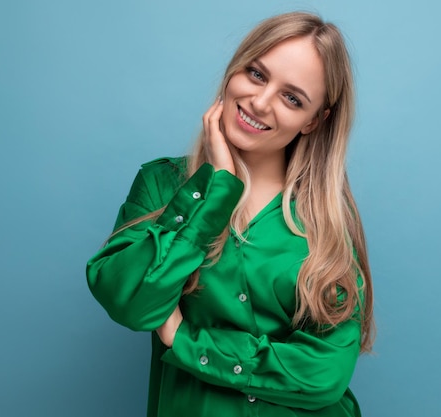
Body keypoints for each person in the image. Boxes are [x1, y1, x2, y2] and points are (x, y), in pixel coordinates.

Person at [86, 11, 374, 417]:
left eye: (292, 98)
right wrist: (216, 191)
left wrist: (185, 338)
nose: (260, 102)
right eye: (257, 74)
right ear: (235, 69)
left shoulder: (326, 217)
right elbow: (129, 301)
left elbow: (324, 373)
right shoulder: (162, 185)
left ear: (314, 121)